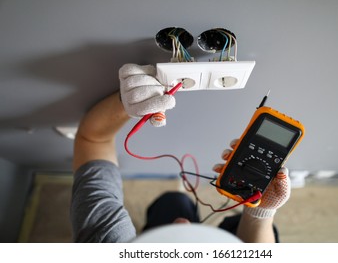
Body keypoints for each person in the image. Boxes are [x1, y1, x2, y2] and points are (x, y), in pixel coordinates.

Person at [70, 64, 291, 243]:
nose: (182, 223)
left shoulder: (105, 242)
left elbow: (93, 139)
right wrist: (260, 213)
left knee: (173, 203)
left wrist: (126, 104)